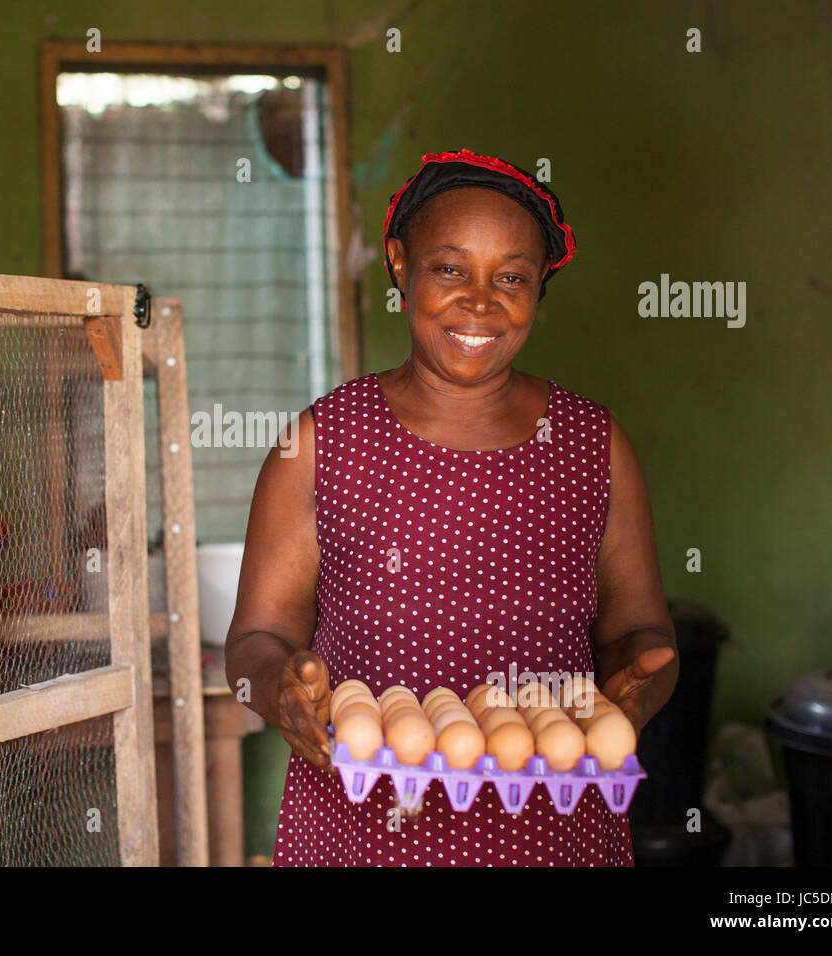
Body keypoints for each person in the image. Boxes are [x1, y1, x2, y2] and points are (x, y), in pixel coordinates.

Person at [224, 149, 679, 866]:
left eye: (512, 278)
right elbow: (257, 634)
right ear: (400, 266)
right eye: (450, 268)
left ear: (538, 291)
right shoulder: (322, 444)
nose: (481, 300)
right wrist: (281, 695)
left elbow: (640, 627)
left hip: (550, 828)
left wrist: (633, 694)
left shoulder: (592, 444)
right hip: (362, 827)